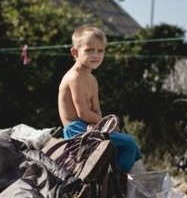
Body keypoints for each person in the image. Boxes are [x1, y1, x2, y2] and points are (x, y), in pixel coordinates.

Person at [57, 25, 142, 173]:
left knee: (126, 141)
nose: (95, 55)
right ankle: (114, 173)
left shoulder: (92, 79)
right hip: (76, 130)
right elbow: (82, 113)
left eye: (100, 51)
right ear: (75, 52)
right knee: (129, 143)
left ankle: (115, 174)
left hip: (90, 127)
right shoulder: (74, 77)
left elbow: (96, 109)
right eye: (89, 50)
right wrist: (103, 124)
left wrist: (103, 126)